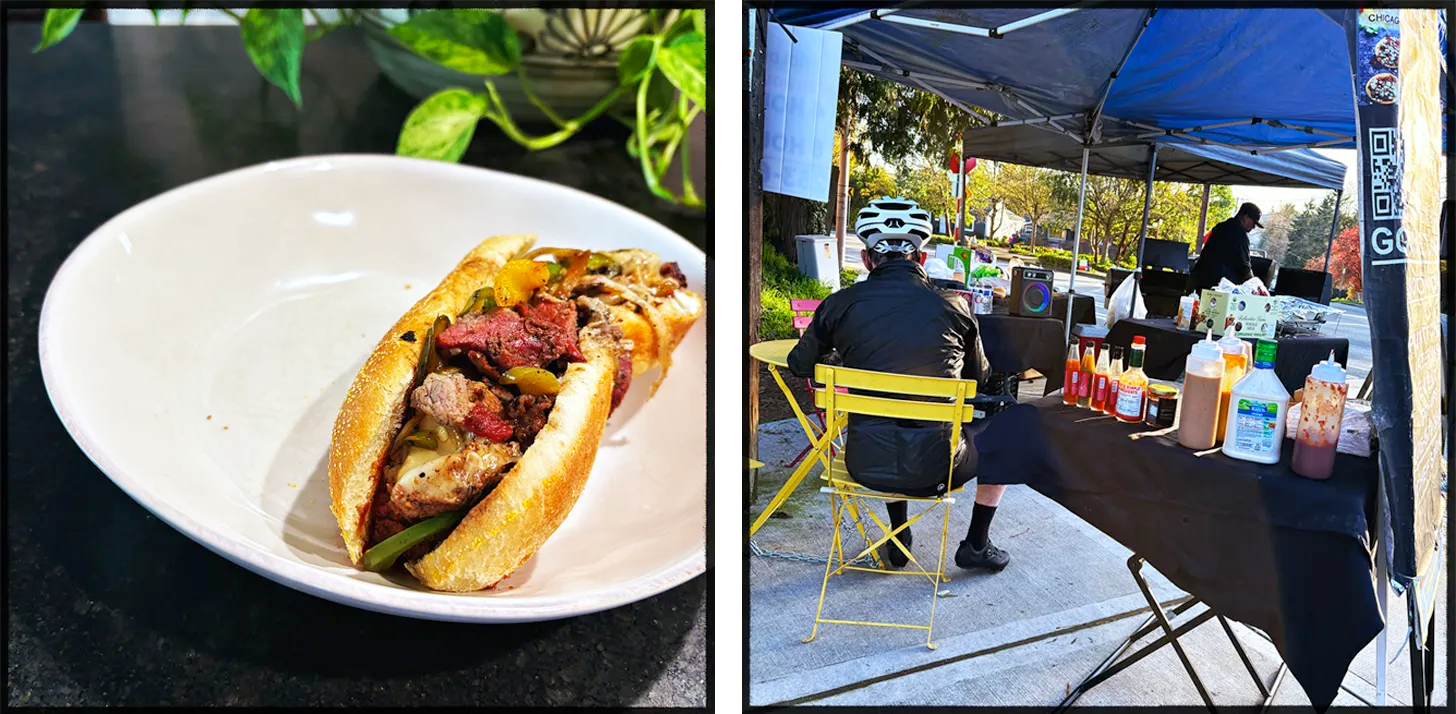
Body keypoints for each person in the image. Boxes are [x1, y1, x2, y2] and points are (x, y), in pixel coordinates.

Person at [786, 197, 1012, 572]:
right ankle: (976, 544)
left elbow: (799, 365)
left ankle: (898, 537)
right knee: (1013, 431)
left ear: (866, 260)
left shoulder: (839, 304)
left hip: (864, 464)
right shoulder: (955, 305)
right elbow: (979, 378)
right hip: (940, 467)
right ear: (921, 259)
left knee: (885, 418)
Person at [1191, 202, 1262, 292]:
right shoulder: (1240, 236)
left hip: (1200, 279)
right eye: (1254, 223)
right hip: (1219, 287)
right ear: (1246, 218)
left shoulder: (1220, 227)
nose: (1254, 227)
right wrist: (1254, 286)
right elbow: (1244, 268)